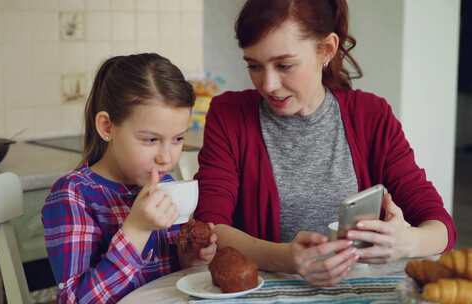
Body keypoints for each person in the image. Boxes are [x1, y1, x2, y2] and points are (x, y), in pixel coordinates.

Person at [194, 0, 456, 287]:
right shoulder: (228, 115)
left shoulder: (371, 116)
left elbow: (440, 226)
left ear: (327, 50)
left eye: (285, 65)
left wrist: (406, 242)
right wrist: (285, 258)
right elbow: (211, 227)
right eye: (254, 66)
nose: (267, 84)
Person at [42, 53, 217, 303]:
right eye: (151, 140)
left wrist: (188, 259)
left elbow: (164, 282)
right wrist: (136, 230)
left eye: (178, 139)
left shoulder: (165, 187)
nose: (166, 158)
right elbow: (74, 300)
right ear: (107, 127)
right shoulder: (74, 196)